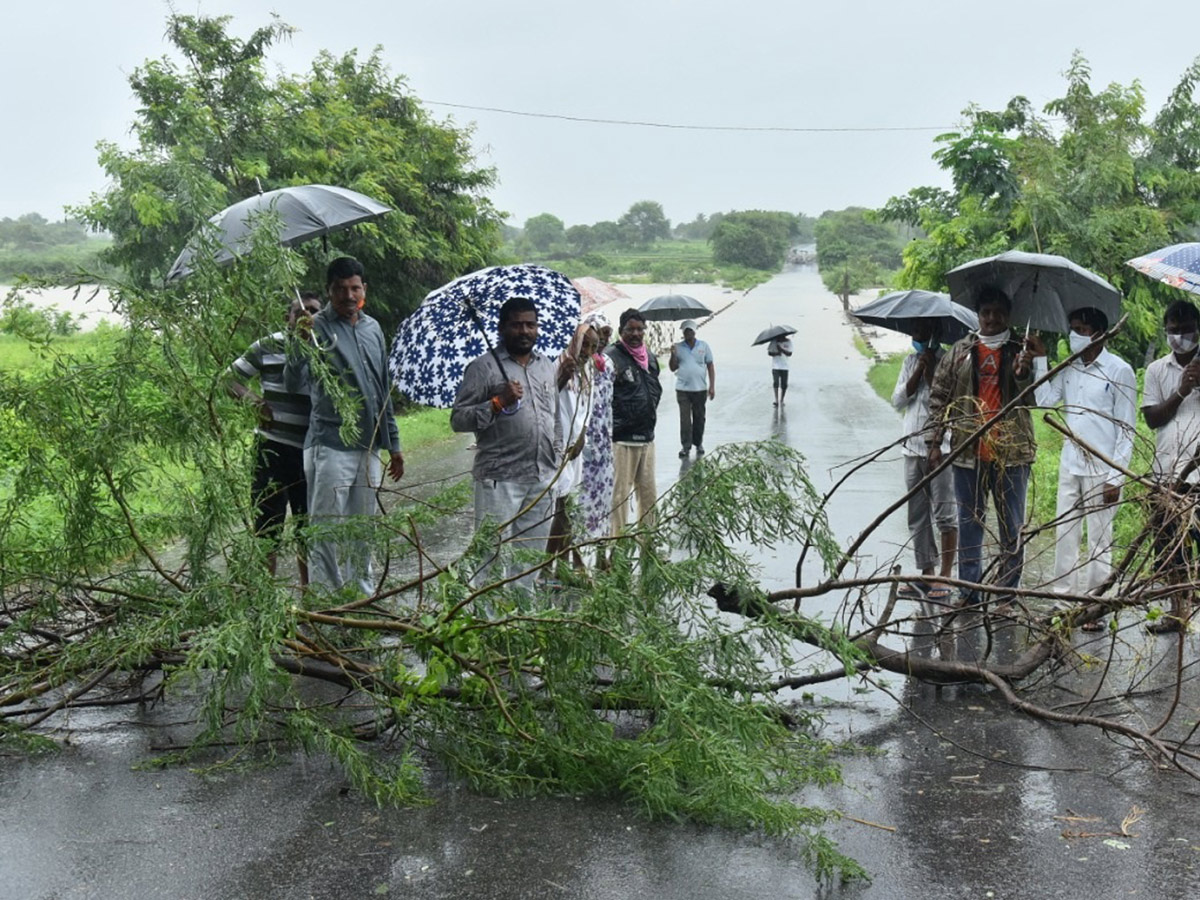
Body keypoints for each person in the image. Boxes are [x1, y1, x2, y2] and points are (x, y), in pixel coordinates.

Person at [284, 257, 404, 596]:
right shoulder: (316, 327)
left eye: (354, 287)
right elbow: (294, 382)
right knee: (327, 527)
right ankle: (328, 604)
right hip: (330, 444)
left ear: (364, 288)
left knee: (362, 526)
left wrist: (393, 444)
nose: (348, 295)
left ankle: (361, 597)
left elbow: (382, 389)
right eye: (340, 289)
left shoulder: (373, 328)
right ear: (329, 291)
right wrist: (298, 341)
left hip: (369, 446)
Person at [450, 296, 572, 587]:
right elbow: (458, 419)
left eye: (530, 324)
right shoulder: (483, 368)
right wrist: (496, 402)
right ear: (502, 328)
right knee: (489, 557)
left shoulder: (546, 365)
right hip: (499, 479)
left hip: (541, 476)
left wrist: (555, 454)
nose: (524, 331)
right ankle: (488, 622)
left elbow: (552, 415)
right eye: (516, 325)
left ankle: (522, 620)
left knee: (529, 560)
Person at [927, 285, 1035, 606]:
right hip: (968, 453)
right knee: (969, 523)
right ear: (978, 315)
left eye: (998, 312)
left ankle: (1006, 594)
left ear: (1008, 315)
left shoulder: (1022, 349)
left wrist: (1024, 372)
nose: (991, 318)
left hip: (1012, 454)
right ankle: (969, 591)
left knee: (1011, 526)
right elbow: (939, 398)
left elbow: (1035, 399)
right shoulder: (960, 351)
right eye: (986, 312)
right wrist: (934, 442)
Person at [1026, 308, 1137, 606]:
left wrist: (1116, 477)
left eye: (1082, 329)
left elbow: (1127, 429)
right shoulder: (1070, 367)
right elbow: (1046, 400)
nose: (1075, 335)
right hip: (1070, 464)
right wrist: (1039, 360)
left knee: (1100, 539)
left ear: (1099, 333)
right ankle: (1063, 601)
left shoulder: (1119, 370)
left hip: (1103, 469)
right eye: (1073, 328)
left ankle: (1094, 602)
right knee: (1066, 533)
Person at [228, 292, 323, 584]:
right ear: (288, 317)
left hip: (311, 451)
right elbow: (228, 379)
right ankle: (265, 598)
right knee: (267, 526)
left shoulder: (328, 347)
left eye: (313, 311)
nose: (307, 316)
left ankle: (311, 603)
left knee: (308, 528)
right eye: (300, 311)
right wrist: (253, 401)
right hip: (271, 449)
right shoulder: (267, 345)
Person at [1141, 299, 1200, 633]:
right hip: (1166, 470)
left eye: (1187, 330)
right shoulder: (1156, 370)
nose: (1180, 337)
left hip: (1199, 471)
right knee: (1169, 548)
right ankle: (1176, 613)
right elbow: (1152, 418)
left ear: (1197, 329)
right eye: (1173, 331)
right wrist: (1182, 391)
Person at [890, 321, 956, 604]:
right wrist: (918, 369)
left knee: (944, 511)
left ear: (935, 334)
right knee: (917, 515)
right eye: (913, 333)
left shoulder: (949, 361)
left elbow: (946, 403)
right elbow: (898, 400)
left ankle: (945, 574)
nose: (916, 338)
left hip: (940, 447)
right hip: (912, 447)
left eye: (921, 333)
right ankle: (926, 572)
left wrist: (931, 371)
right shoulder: (909, 361)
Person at [546, 322, 599, 570]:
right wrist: (560, 379)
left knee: (568, 505)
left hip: (576, 446)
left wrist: (583, 436)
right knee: (561, 506)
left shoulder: (587, 373)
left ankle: (562, 564)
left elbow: (587, 410)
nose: (587, 351)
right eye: (584, 344)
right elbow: (544, 402)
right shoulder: (558, 364)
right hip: (557, 446)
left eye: (592, 346)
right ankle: (552, 564)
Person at [608, 308, 663, 533]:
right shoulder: (611, 357)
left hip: (647, 438)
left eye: (640, 329)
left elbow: (654, 390)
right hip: (622, 440)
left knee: (648, 495)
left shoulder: (649, 357)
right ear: (621, 331)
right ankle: (615, 546)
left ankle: (648, 543)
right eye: (630, 329)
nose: (636, 333)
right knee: (619, 496)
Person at [579, 312, 616, 555]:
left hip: (604, 441)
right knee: (579, 498)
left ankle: (600, 549)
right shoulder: (578, 364)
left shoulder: (609, 364)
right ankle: (575, 553)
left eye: (606, 335)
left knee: (603, 496)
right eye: (599, 334)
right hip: (584, 442)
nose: (602, 340)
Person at [668, 318, 715, 459]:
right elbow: (672, 367)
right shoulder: (678, 347)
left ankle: (698, 442)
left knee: (699, 417)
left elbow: (710, 366)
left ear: (694, 332)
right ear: (683, 332)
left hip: (700, 388)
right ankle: (685, 446)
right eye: (686, 331)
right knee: (685, 419)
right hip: (683, 389)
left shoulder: (704, 346)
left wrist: (712, 386)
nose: (688, 333)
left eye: (690, 331)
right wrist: (673, 354)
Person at [767, 335, 793, 406]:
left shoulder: (789, 342)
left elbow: (790, 353)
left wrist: (781, 349)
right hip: (775, 366)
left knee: (784, 384)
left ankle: (782, 400)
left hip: (785, 366)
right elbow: (769, 353)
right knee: (776, 382)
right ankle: (776, 400)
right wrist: (776, 353)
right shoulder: (774, 342)